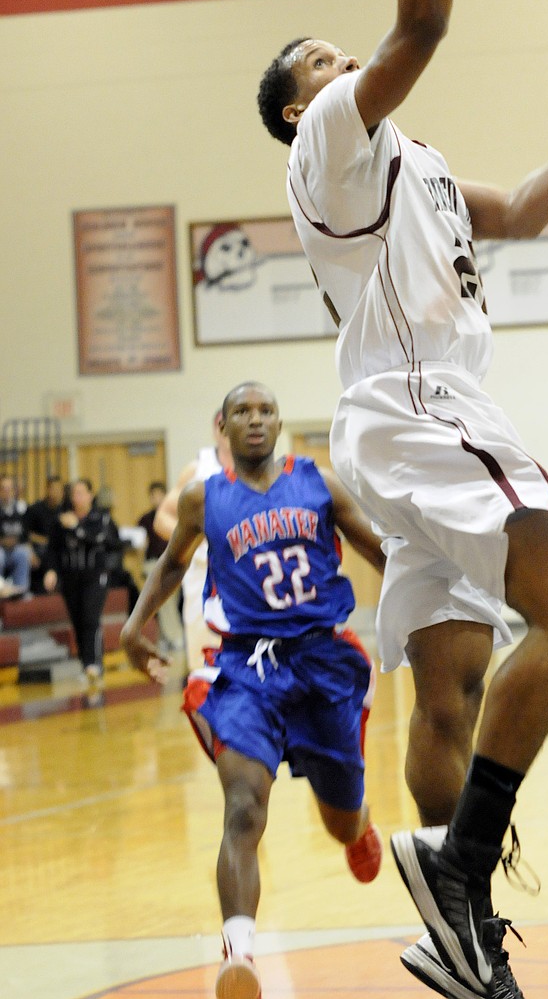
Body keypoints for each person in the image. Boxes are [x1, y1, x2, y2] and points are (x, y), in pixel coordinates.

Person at [257, 0, 548, 999]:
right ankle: (468, 868)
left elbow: (519, 212)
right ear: (296, 106)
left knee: (449, 696)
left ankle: (457, 935)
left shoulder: (408, 160)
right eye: (317, 59)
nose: (336, 62)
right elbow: (418, 26)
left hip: (398, 417)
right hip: (427, 403)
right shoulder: (327, 144)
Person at [120, 381, 386, 999]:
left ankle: (360, 821)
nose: (256, 419)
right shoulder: (203, 497)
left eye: (266, 409)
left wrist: (427, 618)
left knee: (341, 821)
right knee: (243, 806)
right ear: (225, 425)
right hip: (248, 668)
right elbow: (173, 564)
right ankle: (238, 954)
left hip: (321, 663)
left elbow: (380, 551)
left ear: (279, 421)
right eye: (244, 411)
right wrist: (134, 627)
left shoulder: (319, 482)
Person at [154, 411, 233, 669]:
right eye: (223, 426)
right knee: (204, 664)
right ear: (215, 430)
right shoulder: (198, 468)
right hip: (203, 577)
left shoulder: (261, 467)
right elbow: (162, 519)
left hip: (247, 574)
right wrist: (195, 535)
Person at [41, 478, 124, 686]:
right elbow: (53, 549)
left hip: (95, 576)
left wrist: (77, 528)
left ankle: (95, 664)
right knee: (77, 621)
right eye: (74, 493)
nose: (77, 497)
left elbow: (108, 542)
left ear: (90, 495)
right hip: (70, 577)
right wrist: (51, 570)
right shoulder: (62, 520)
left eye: (81, 492)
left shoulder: (101, 518)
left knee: (90, 618)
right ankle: (85, 664)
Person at [137, 481, 182, 652]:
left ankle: (170, 635)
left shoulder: (176, 515)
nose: (156, 498)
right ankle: (173, 636)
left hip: (174, 561)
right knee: (161, 602)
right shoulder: (145, 519)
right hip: (153, 563)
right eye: (152, 495)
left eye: (158, 494)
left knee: (171, 600)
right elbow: (142, 544)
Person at [27, 474, 65, 592]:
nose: (57, 493)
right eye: (54, 489)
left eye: (59, 489)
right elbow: (26, 534)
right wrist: (32, 551)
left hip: (59, 549)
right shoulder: (35, 510)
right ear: (47, 489)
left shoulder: (64, 510)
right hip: (40, 549)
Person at [0, 473, 31, 598]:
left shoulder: (22, 507)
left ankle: (21, 592)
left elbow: (26, 533)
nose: (6, 492)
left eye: (9, 488)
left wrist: (30, 550)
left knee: (23, 553)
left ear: (14, 490)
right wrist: (2, 541)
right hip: (1, 548)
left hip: (16, 548)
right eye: (3, 488)